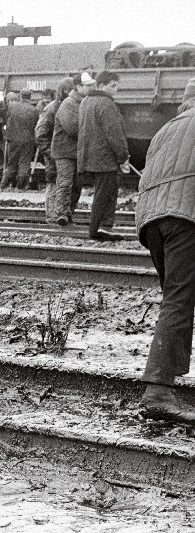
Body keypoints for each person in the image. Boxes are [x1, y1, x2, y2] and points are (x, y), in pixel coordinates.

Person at [135, 79, 195, 424]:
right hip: (186, 216)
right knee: (179, 299)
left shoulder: (165, 129)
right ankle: (157, 391)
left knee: (177, 297)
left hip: (152, 221)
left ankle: (164, 381)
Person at [78, 70, 130, 241]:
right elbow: (114, 133)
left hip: (90, 155)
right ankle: (101, 228)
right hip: (105, 158)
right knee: (106, 193)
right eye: (113, 86)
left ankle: (100, 228)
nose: (115, 90)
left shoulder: (86, 101)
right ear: (101, 86)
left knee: (102, 192)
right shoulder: (106, 104)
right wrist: (123, 156)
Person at [51, 72, 95, 226]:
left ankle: (69, 212)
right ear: (78, 87)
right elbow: (73, 128)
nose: (91, 88)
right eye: (88, 85)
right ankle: (61, 213)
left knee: (77, 184)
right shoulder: (69, 104)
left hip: (76, 151)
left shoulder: (84, 103)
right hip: (65, 151)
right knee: (66, 183)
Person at [36, 78, 75, 224]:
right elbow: (40, 134)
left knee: (64, 186)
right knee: (53, 185)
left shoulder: (66, 107)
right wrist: (50, 154)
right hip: (55, 155)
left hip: (62, 154)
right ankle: (52, 218)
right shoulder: (52, 109)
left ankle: (61, 216)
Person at [0, 87, 39, 190]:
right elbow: (36, 126)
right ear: (30, 97)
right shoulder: (34, 110)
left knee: (11, 163)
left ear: (20, 96)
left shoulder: (11, 106)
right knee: (24, 163)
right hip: (27, 141)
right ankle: (20, 187)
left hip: (13, 140)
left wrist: (0, 101)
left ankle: (2, 186)